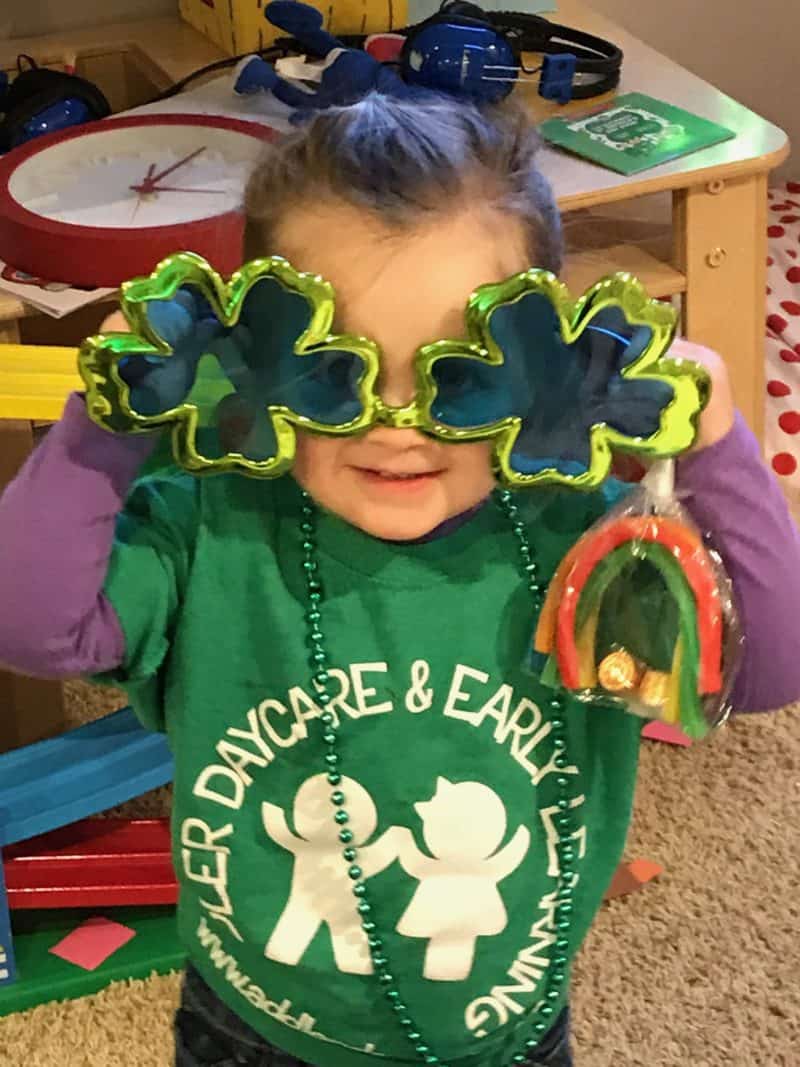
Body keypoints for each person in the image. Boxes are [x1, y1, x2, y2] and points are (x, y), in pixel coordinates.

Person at [1, 93, 799, 1067]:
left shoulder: (583, 542)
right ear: (250, 356)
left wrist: (712, 442)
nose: (395, 423)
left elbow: (765, 669)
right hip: (252, 1025)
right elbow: (28, 621)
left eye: (458, 376)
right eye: (332, 371)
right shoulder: (210, 523)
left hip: (507, 1028)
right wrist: (114, 411)